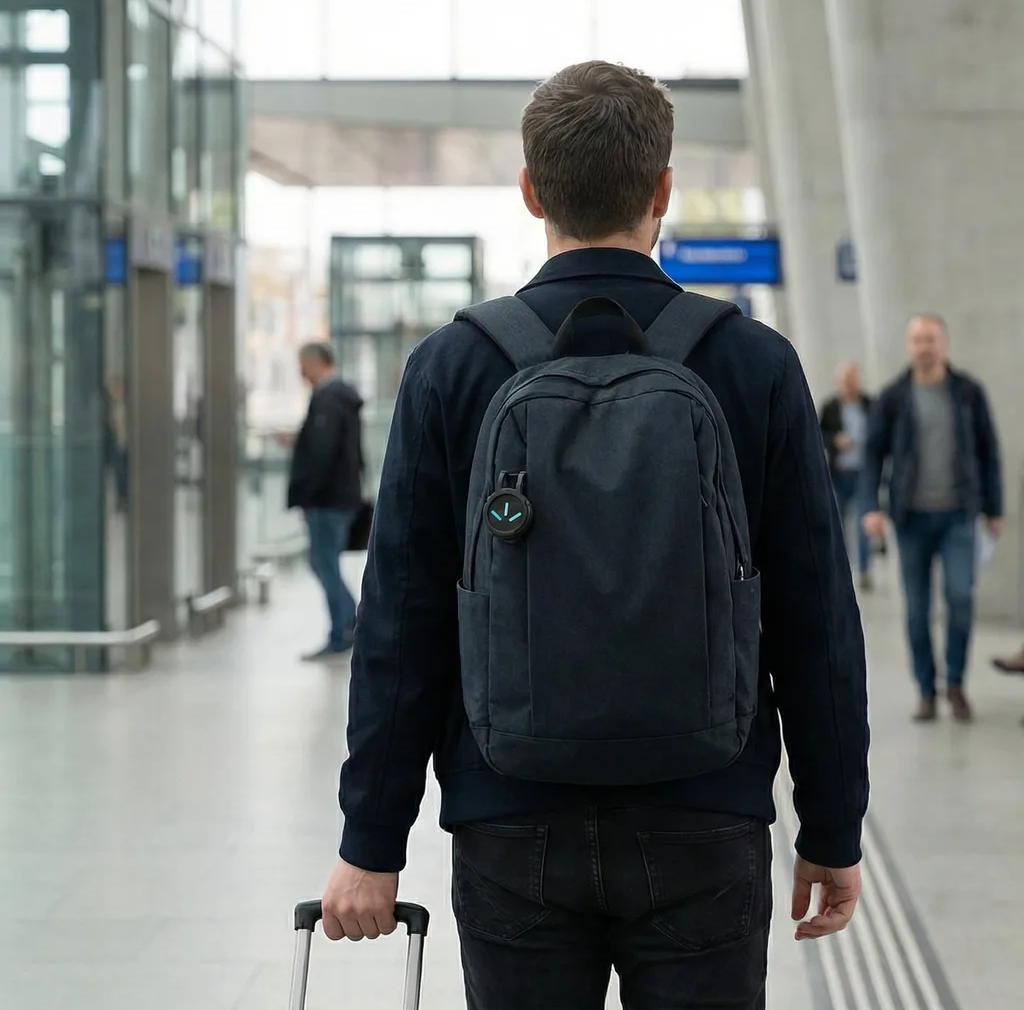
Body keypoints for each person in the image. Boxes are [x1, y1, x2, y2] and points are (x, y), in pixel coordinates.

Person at [321, 61, 868, 1010]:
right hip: (706, 807)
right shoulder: (754, 365)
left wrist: (372, 842)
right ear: (663, 191)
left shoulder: (452, 367)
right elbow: (815, 616)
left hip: (510, 816)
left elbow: (400, 625)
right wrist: (832, 824)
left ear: (531, 191)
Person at [862, 314, 1002, 723]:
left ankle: (955, 684)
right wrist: (871, 505)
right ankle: (926, 690)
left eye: (931, 339)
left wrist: (994, 509)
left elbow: (988, 451)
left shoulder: (968, 393)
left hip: (960, 514)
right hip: (911, 519)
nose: (924, 346)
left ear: (944, 343)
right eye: (917, 339)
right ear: (909, 345)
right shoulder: (893, 397)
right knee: (917, 610)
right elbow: (873, 455)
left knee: (960, 599)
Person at [285, 341, 364, 661]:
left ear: (316, 363)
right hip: (341, 495)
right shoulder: (342, 397)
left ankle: (345, 630)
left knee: (324, 563)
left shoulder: (329, 399)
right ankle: (351, 625)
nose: (301, 373)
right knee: (323, 563)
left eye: (303, 366)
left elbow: (322, 453)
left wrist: (306, 494)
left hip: (326, 500)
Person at [819, 362, 873, 589]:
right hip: (838, 473)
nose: (849, 383)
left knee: (864, 524)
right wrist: (835, 441)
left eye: (852, 378)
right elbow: (818, 433)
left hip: (863, 473)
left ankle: (864, 571)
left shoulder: (870, 405)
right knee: (838, 525)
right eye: (845, 379)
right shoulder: (831, 407)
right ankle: (842, 570)